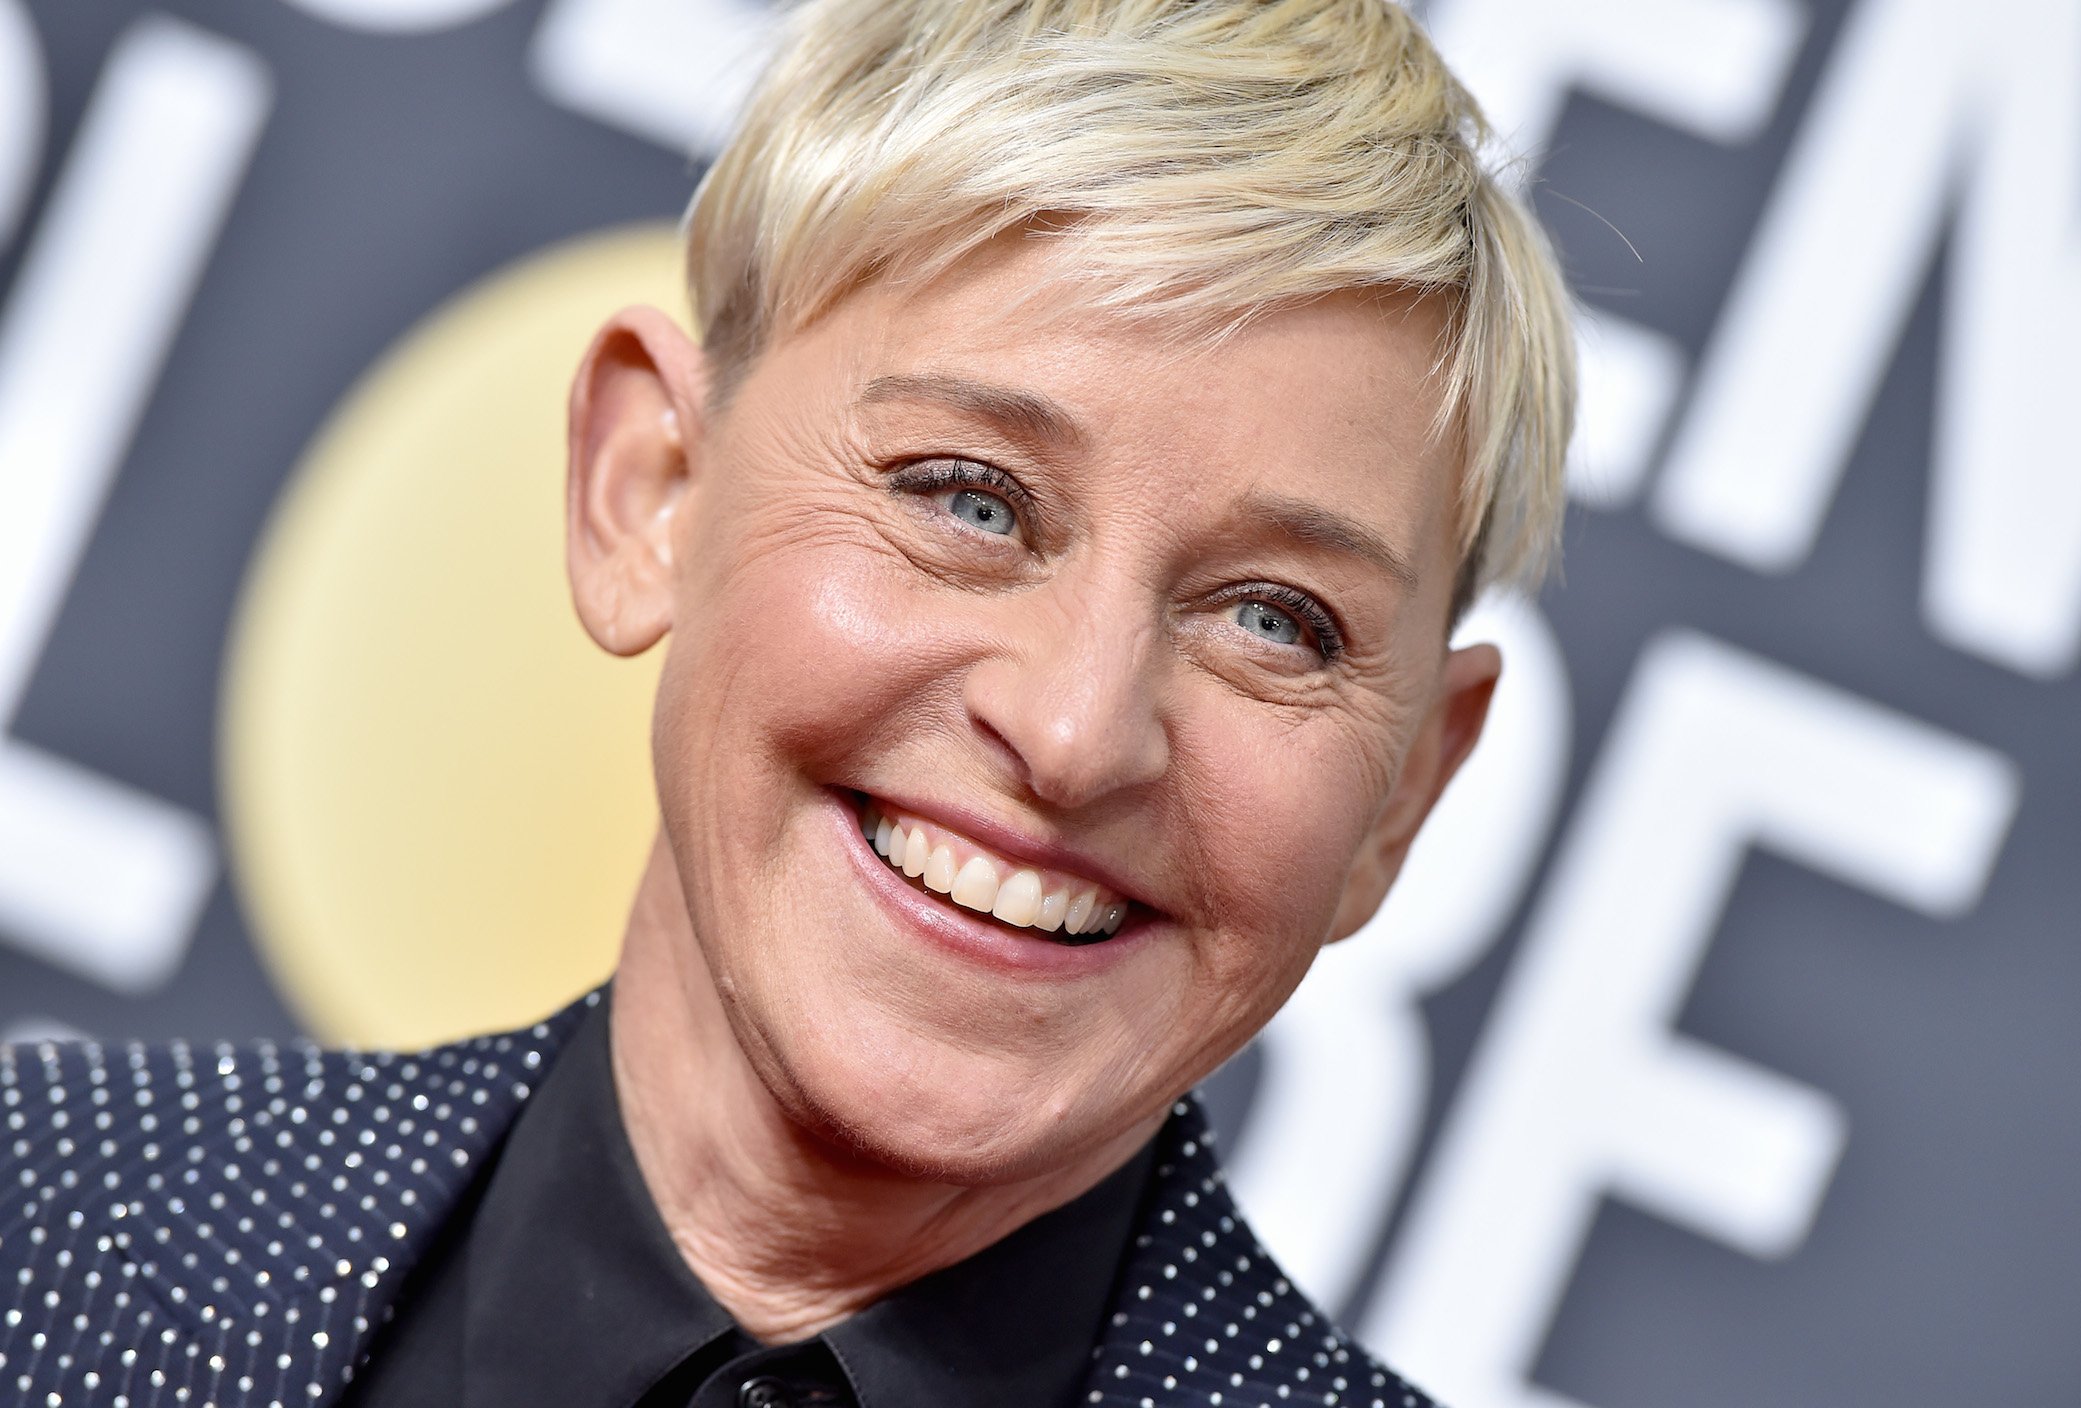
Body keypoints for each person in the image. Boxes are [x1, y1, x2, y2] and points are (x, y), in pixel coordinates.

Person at [0, 0, 1574, 1404]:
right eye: (971, 501)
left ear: (1405, 797)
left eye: (1274, 621)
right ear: (653, 493)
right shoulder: (40, 1212)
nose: (1079, 731)